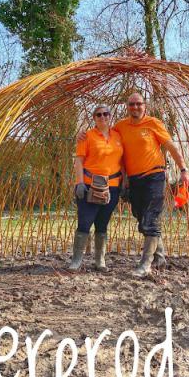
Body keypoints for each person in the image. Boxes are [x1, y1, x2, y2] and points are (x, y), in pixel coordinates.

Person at [78, 92, 189, 277]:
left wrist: (183, 169)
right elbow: (104, 135)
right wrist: (83, 134)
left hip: (154, 176)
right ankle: (160, 256)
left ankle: (145, 265)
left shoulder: (153, 123)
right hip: (134, 180)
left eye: (138, 104)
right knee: (141, 216)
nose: (135, 107)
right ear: (127, 107)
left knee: (151, 218)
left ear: (144, 106)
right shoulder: (121, 126)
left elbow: (171, 147)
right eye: (131, 104)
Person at [69, 104, 124, 271]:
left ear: (110, 116)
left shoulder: (118, 136)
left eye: (106, 114)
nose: (103, 117)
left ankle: (100, 260)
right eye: (99, 115)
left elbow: (123, 161)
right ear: (94, 118)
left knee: (102, 223)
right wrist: (79, 182)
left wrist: (125, 183)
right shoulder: (87, 136)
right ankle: (76, 260)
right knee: (85, 222)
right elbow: (79, 160)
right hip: (89, 185)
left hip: (112, 186)